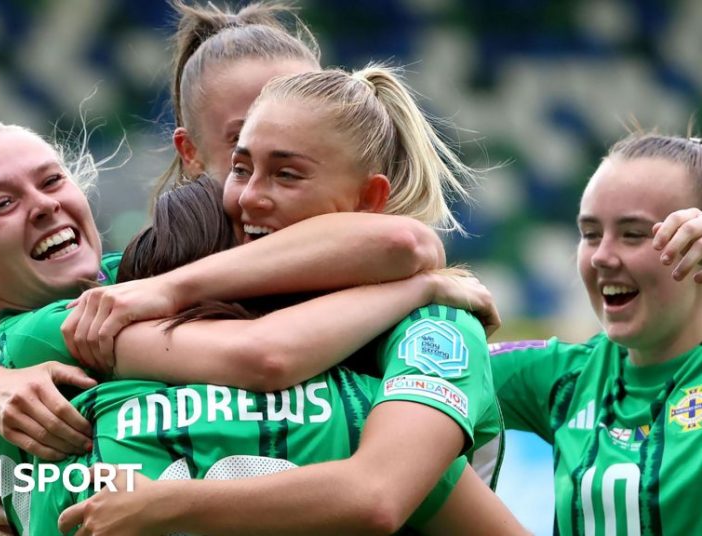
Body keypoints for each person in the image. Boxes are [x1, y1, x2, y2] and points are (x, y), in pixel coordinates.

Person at [57, 61, 514, 535]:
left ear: (368, 200)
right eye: (240, 167)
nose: (249, 196)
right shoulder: (174, 290)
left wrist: (168, 503)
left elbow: (377, 496)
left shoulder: (435, 327)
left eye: (287, 175)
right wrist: (12, 488)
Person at [484, 132, 702, 535]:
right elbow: (405, 374)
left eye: (634, 234)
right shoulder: (565, 377)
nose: (601, 256)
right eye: (590, 234)